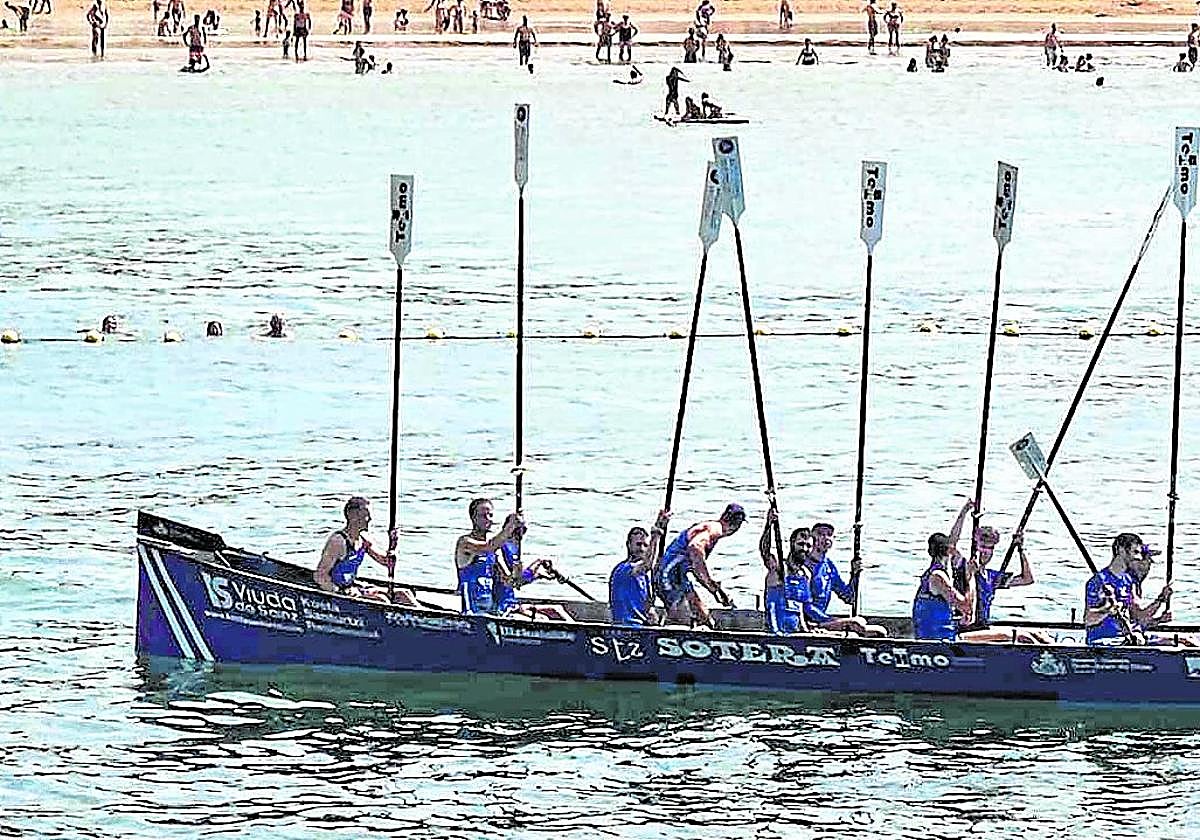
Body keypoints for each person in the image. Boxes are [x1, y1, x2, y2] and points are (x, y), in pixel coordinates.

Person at [653, 503, 744, 627]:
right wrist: (710, 583)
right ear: (737, 526)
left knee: (705, 618)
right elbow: (695, 547)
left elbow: (696, 568)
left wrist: (715, 590)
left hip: (680, 576)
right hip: (668, 575)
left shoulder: (711, 528)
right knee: (681, 621)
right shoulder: (715, 529)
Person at [1084, 533, 1171, 646]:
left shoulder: (1129, 581)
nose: (1139, 558)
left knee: (1184, 641)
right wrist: (1107, 609)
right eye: (1135, 552)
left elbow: (1138, 617)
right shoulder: (1097, 582)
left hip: (1127, 638)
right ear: (1121, 550)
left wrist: (1161, 600)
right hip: (1104, 642)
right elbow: (1089, 620)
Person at [804, 522, 886, 636]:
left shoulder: (829, 566)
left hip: (822, 620)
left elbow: (849, 597)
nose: (825, 538)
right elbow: (804, 606)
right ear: (811, 538)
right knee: (863, 626)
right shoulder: (802, 565)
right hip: (808, 621)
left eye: (829, 534)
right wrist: (829, 620)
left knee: (867, 624)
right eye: (820, 534)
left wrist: (854, 574)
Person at [314, 497, 397, 602]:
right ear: (353, 516)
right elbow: (320, 576)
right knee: (382, 600)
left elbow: (387, 562)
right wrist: (341, 592)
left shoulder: (364, 539)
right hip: (341, 591)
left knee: (403, 593)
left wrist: (393, 543)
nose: (370, 519)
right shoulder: (338, 541)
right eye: (366, 515)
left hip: (354, 587)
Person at [609, 510, 671, 627]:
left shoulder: (645, 577)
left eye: (645, 545)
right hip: (627, 628)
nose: (642, 549)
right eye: (638, 544)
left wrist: (652, 614)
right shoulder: (624, 569)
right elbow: (648, 565)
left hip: (642, 627)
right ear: (629, 545)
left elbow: (647, 607)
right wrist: (656, 535)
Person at [912, 532, 974, 641]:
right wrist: (971, 576)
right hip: (940, 639)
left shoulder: (930, 573)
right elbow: (966, 606)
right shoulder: (938, 576)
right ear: (949, 551)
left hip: (938, 635)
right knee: (1005, 635)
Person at [760, 509, 812, 635]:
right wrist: (769, 525)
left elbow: (800, 609)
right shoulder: (778, 567)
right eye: (801, 544)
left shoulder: (806, 575)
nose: (804, 549)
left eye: (808, 546)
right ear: (792, 543)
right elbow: (765, 551)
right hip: (775, 633)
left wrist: (806, 632)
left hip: (795, 633)